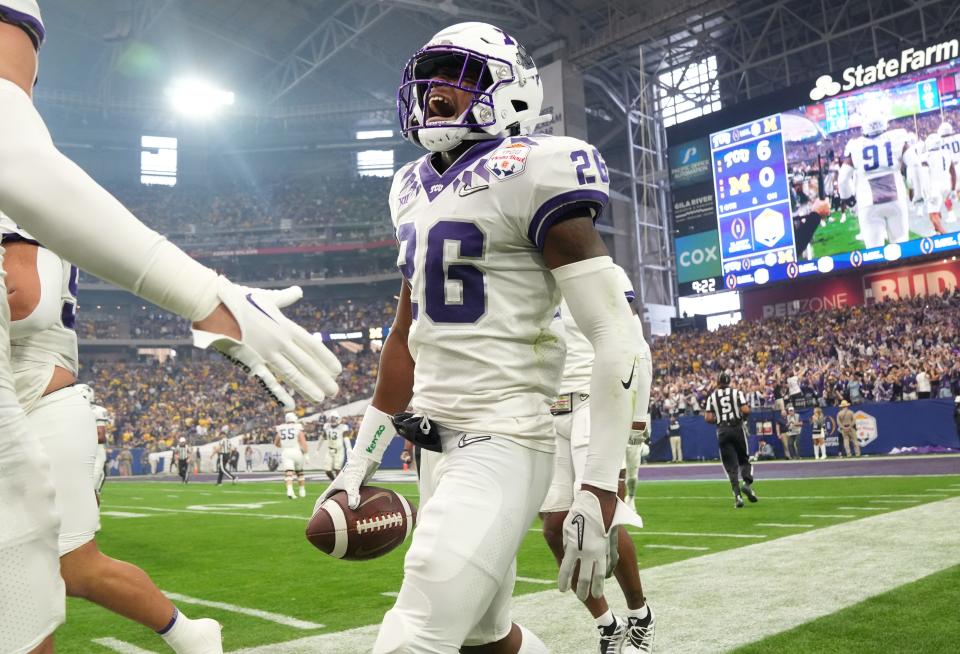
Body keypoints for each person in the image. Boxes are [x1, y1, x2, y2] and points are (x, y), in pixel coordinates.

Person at [0, 5, 341, 651]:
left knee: (37, 578)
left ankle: (188, 633)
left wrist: (206, 298)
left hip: (36, 393)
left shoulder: (25, 205)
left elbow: (27, 296)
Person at [317, 22, 646, 654]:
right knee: (485, 639)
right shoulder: (408, 185)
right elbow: (403, 338)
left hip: (504, 435)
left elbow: (614, 334)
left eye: (461, 74)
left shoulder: (538, 166)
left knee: (413, 634)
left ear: (512, 91)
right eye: (433, 72)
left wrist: (600, 487)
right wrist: (357, 463)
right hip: (433, 444)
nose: (438, 87)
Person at [1, 212, 221, 653]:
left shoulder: (15, 203)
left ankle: (191, 636)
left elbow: (28, 304)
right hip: (17, 409)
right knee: (16, 578)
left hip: (40, 406)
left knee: (69, 568)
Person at [540, 268, 654, 654]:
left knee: (598, 522)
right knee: (555, 527)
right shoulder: (521, 267)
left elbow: (634, 343)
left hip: (595, 401)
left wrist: (638, 417)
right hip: (548, 409)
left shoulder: (599, 268)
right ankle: (608, 625)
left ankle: (641, 615)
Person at [838, 104, 918, 248]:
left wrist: (848, 199)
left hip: (868, 203)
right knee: (901, 246)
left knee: (874, 252)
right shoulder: (897, 137)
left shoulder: (855, 145)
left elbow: (843, 178)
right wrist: (913, 187)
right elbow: (915, 163)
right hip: (896, 199)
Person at [704, 372, 757, 508]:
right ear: (729, 382)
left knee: (730, 466)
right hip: (736, 428)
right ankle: (746, 484)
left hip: (722, 430)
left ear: (717, 382)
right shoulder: (736, 393)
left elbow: (708, 418)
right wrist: (742, 418)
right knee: (744, 459)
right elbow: (745, 410)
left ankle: (737, 496)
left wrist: (720, 420)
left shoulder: (712, 397)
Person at [76, 384, 110, 496]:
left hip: (95, 452)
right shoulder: (68, 413)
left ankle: (93, 513)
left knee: (92, 491)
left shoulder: (97, 411)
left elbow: (101, 437)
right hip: (78, 452)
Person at [274, 412, 308, 499]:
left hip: (286, 452)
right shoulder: (297, 427)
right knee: (299, 472)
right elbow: (302, 441)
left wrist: (285, 445)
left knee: (288, 473)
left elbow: (276, 443)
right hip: (296, 451)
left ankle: (290, 491)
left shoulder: (281, 428)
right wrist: (306, 453)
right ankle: (302, 491)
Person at [624, 415, 650, 507]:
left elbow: (646, 433)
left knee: (632, 478)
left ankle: (630, 497)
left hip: (633, 441)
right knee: (618, 474)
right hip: (617, 439)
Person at [321, 410, 349, 481]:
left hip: (339, 450)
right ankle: (334, 482)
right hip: (329, 450)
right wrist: (317, 449)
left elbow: (346, 439)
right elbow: (322, 437)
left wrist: (349, 449)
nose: (332, 420)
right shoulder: (326, 426)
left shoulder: (343, 427)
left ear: (338, 419)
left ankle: (341, 484)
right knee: (327, 471)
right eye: (331, 418)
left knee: (337, 469)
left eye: (334, 418)